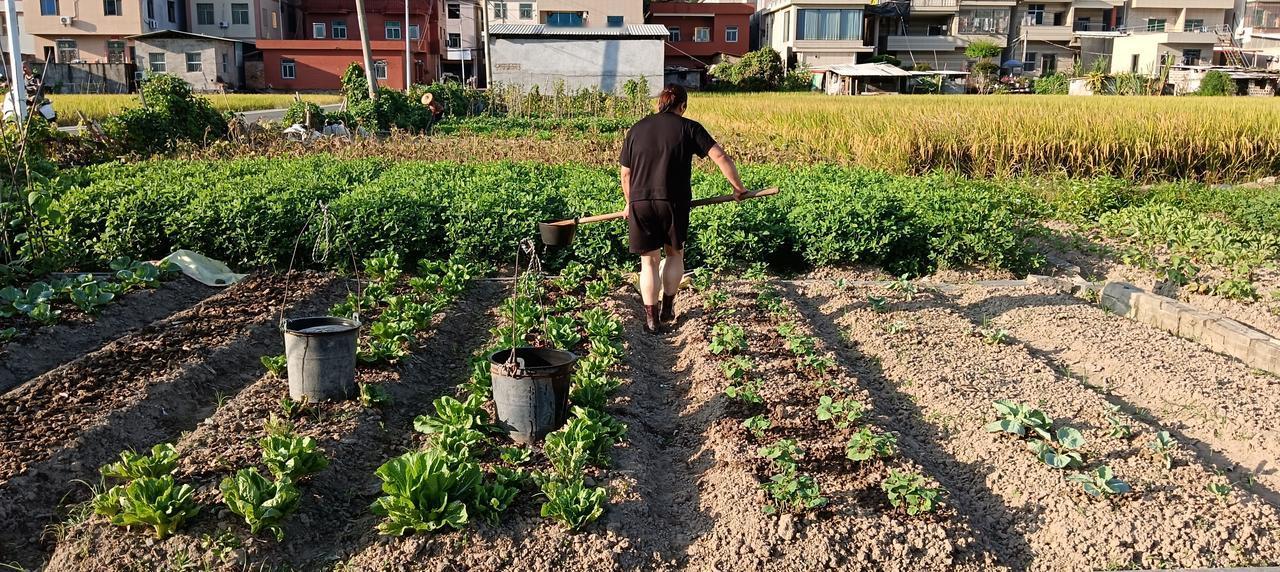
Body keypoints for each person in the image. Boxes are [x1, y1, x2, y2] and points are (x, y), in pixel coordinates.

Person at [619, 84, 747, 334]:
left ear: (659, 104)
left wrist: (630, 203)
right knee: (675, 254)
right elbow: (720, 157)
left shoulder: (636, 129)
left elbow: (626, 174)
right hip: (673, 202)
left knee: (649, 262)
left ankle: (651, 320)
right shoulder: (689, 127)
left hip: (640, 202)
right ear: (683, 106)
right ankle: (667, 308)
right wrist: (738, 187)